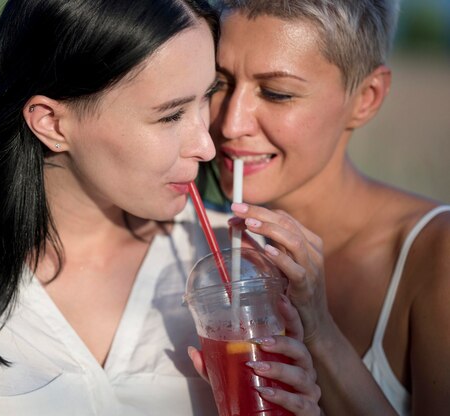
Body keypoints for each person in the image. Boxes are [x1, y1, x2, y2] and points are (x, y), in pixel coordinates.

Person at [0, 0, 321, 415]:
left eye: (205, 100)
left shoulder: (245, 266)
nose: (207, 145)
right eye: (171, 114)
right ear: (50, 122)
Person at [190, 1, 450, 415]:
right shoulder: (196, 238)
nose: (230, 123)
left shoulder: (435, 252)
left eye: (276, 93)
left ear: (366, 98)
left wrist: (320, 331)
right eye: (219, 84)